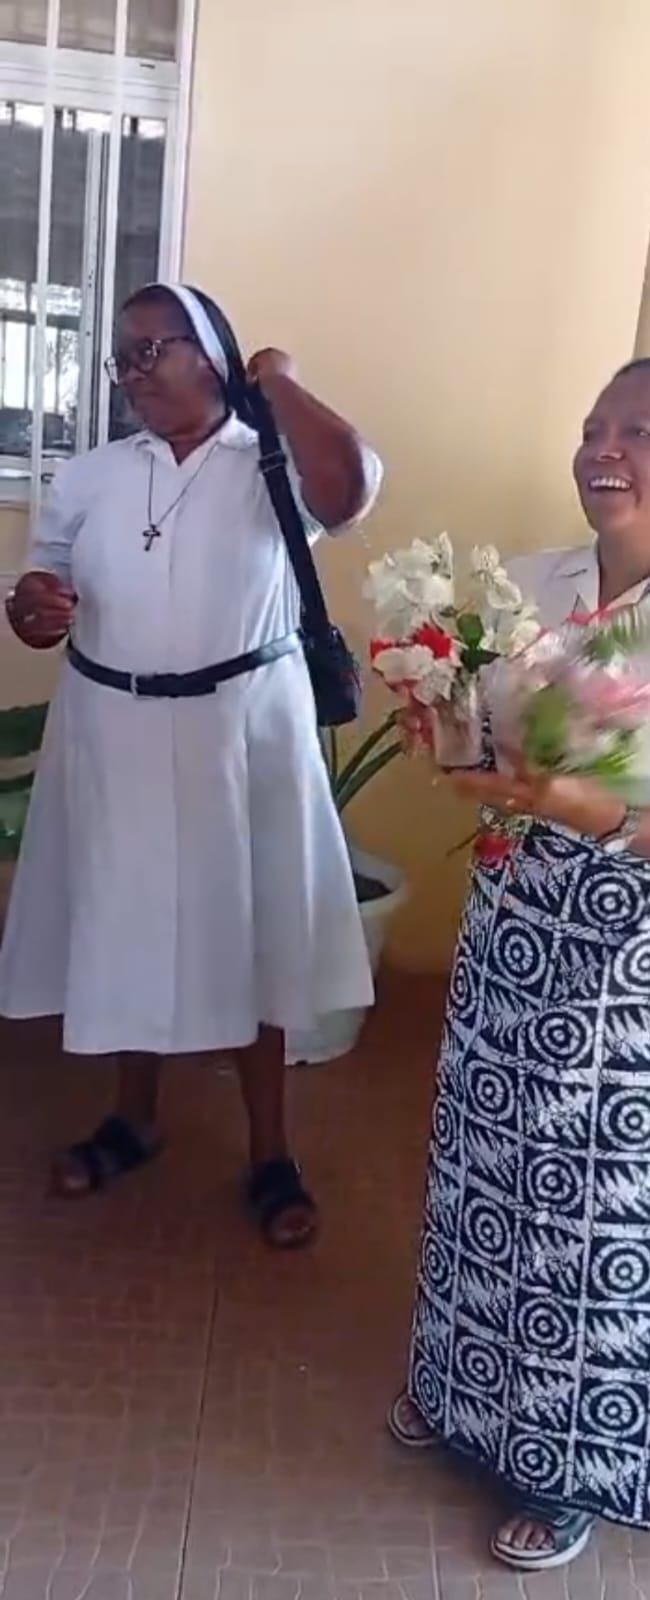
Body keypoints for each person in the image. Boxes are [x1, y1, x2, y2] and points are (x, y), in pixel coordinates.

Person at [387, 357, 650, 1571]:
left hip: (639, 960)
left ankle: (567, 1464)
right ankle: (456, 1390)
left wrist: (602, 812)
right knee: (480, 1168)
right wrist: (442, 728)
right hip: (515, 917)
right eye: (593, 427)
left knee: (590, 1209)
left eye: (640, 432)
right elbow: (490, 755)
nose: (602, 448)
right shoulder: (529, 587)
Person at [1, 282, 382, 1249]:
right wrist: (34, 605)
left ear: (211, 352)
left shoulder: (271, 463)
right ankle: (133, 1119)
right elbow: (41, 585)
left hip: (241, 730)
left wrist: (277, 384)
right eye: (122, 356)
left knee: (252, 925)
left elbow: (348, 492)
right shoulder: (92, 475)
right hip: (113, 726)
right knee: (123, 913)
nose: (132, 373)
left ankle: (271, 1152)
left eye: (153, 349)